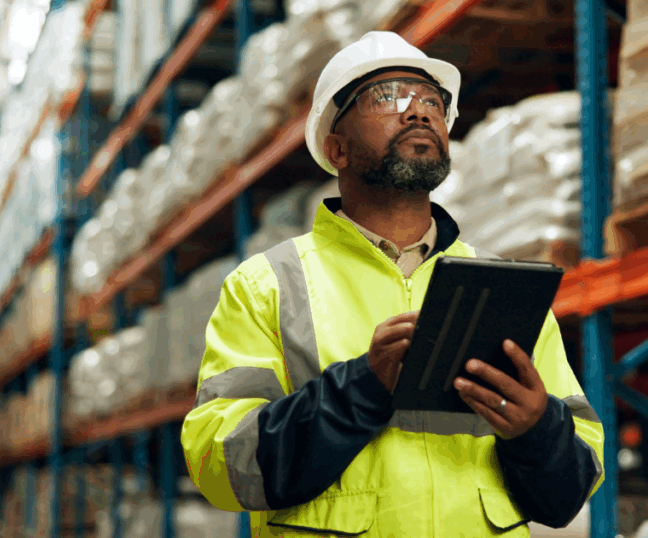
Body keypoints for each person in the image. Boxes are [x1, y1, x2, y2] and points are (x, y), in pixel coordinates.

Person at [181, 31, 605, 537]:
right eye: (388, 98)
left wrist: (537, 430)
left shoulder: (503, 287)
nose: (418, 111)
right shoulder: (267, 285)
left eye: (432, 101)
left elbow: (572, 490)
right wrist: (360, 388)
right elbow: (222, 466)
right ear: (336, 148)